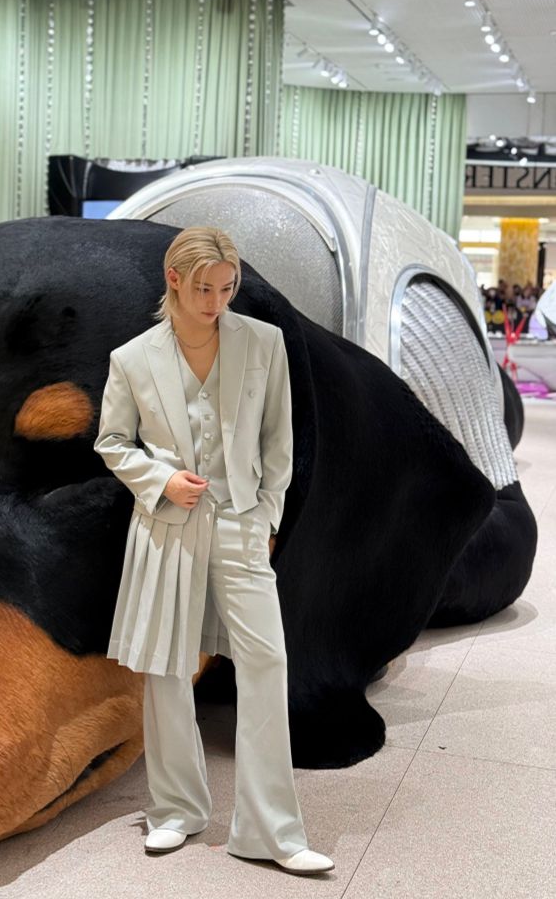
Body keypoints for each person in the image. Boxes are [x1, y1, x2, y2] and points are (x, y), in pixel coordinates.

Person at [93, 226, 334, 876]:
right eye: (205, 288)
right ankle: (176, 810)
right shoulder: (135, 359)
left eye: (227, 288)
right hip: (167, 524)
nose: (217, 300)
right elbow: (112, 442)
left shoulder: (264, 343)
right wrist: (160, 480)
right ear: (174, 279)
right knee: (169, 670)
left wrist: (266, 515)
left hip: (240, 522)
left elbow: (281, 437)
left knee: (267, 663)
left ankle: (272, 831)